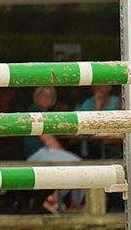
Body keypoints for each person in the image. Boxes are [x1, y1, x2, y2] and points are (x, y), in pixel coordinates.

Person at [24, 86, 85, 214]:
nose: (47, 98)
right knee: (79, 165)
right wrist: (63, 152)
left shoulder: (46, 114)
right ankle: (62, 202)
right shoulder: (35, 112)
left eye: (50, 96)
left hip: (44, 152)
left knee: (75, 167)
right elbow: (47, 139)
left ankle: (61, 202)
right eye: (44, 95)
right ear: (37, 97)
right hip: (38, 153)